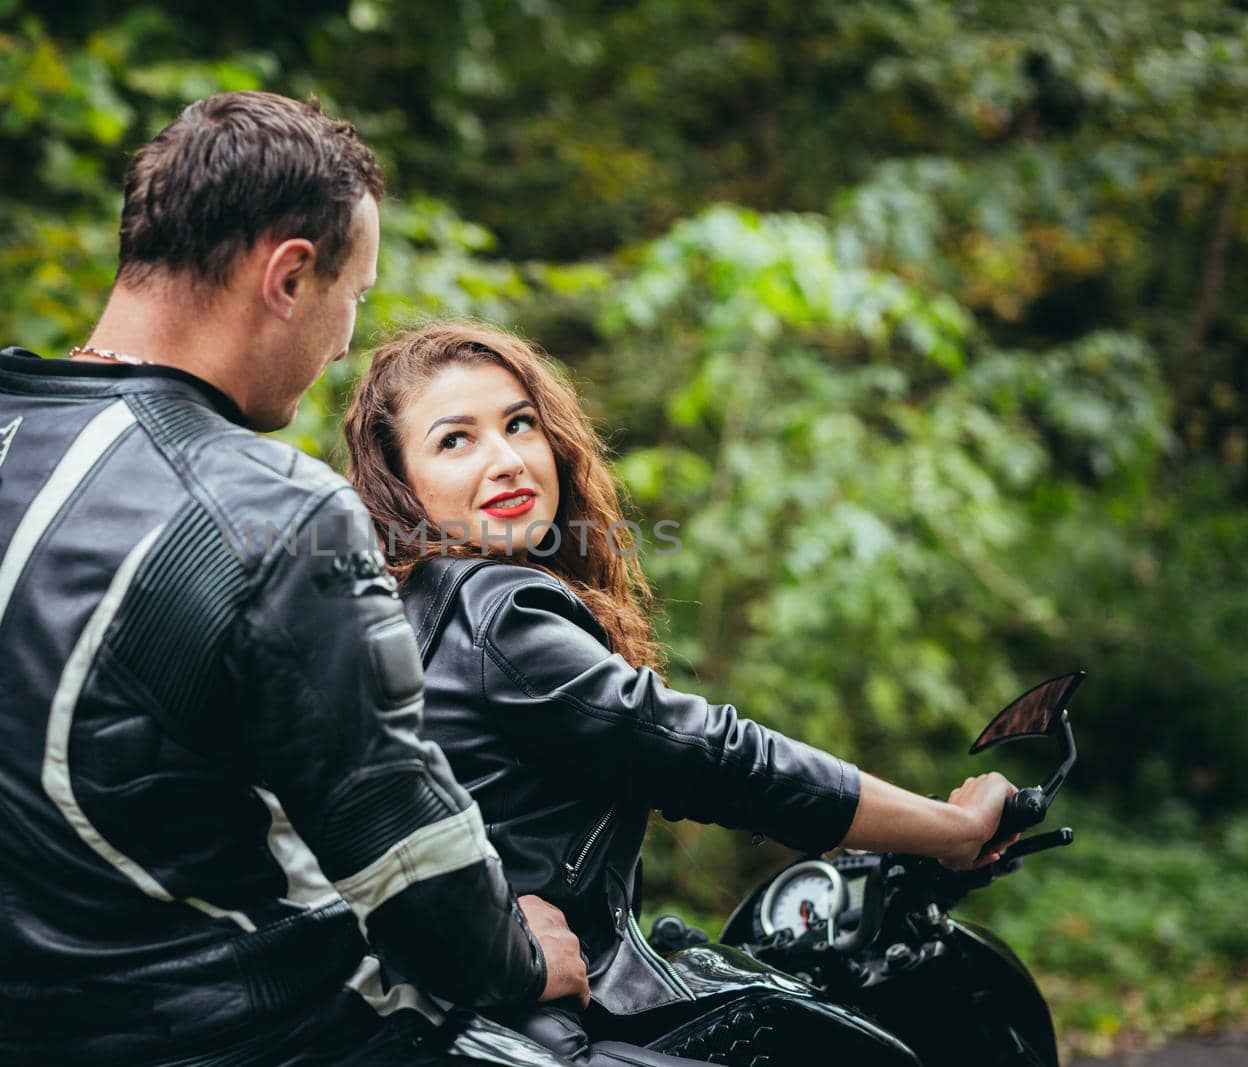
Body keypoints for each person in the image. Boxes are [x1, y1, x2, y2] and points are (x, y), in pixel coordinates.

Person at [0, 93, 601, 1067]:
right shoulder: (261, 500)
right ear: (288, 274)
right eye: (351, 296)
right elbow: (401, 843)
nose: (339, 343)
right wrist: (521, 954)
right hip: (290, 1036)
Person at [341, 321, 1020, 1058]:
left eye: (519, 423)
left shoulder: (402, 616)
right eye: (455, 440)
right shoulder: (498, 614)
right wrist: (952, 830)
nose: (506, 460)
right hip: (536, 1022)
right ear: (398, 485)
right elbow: (712, 757)